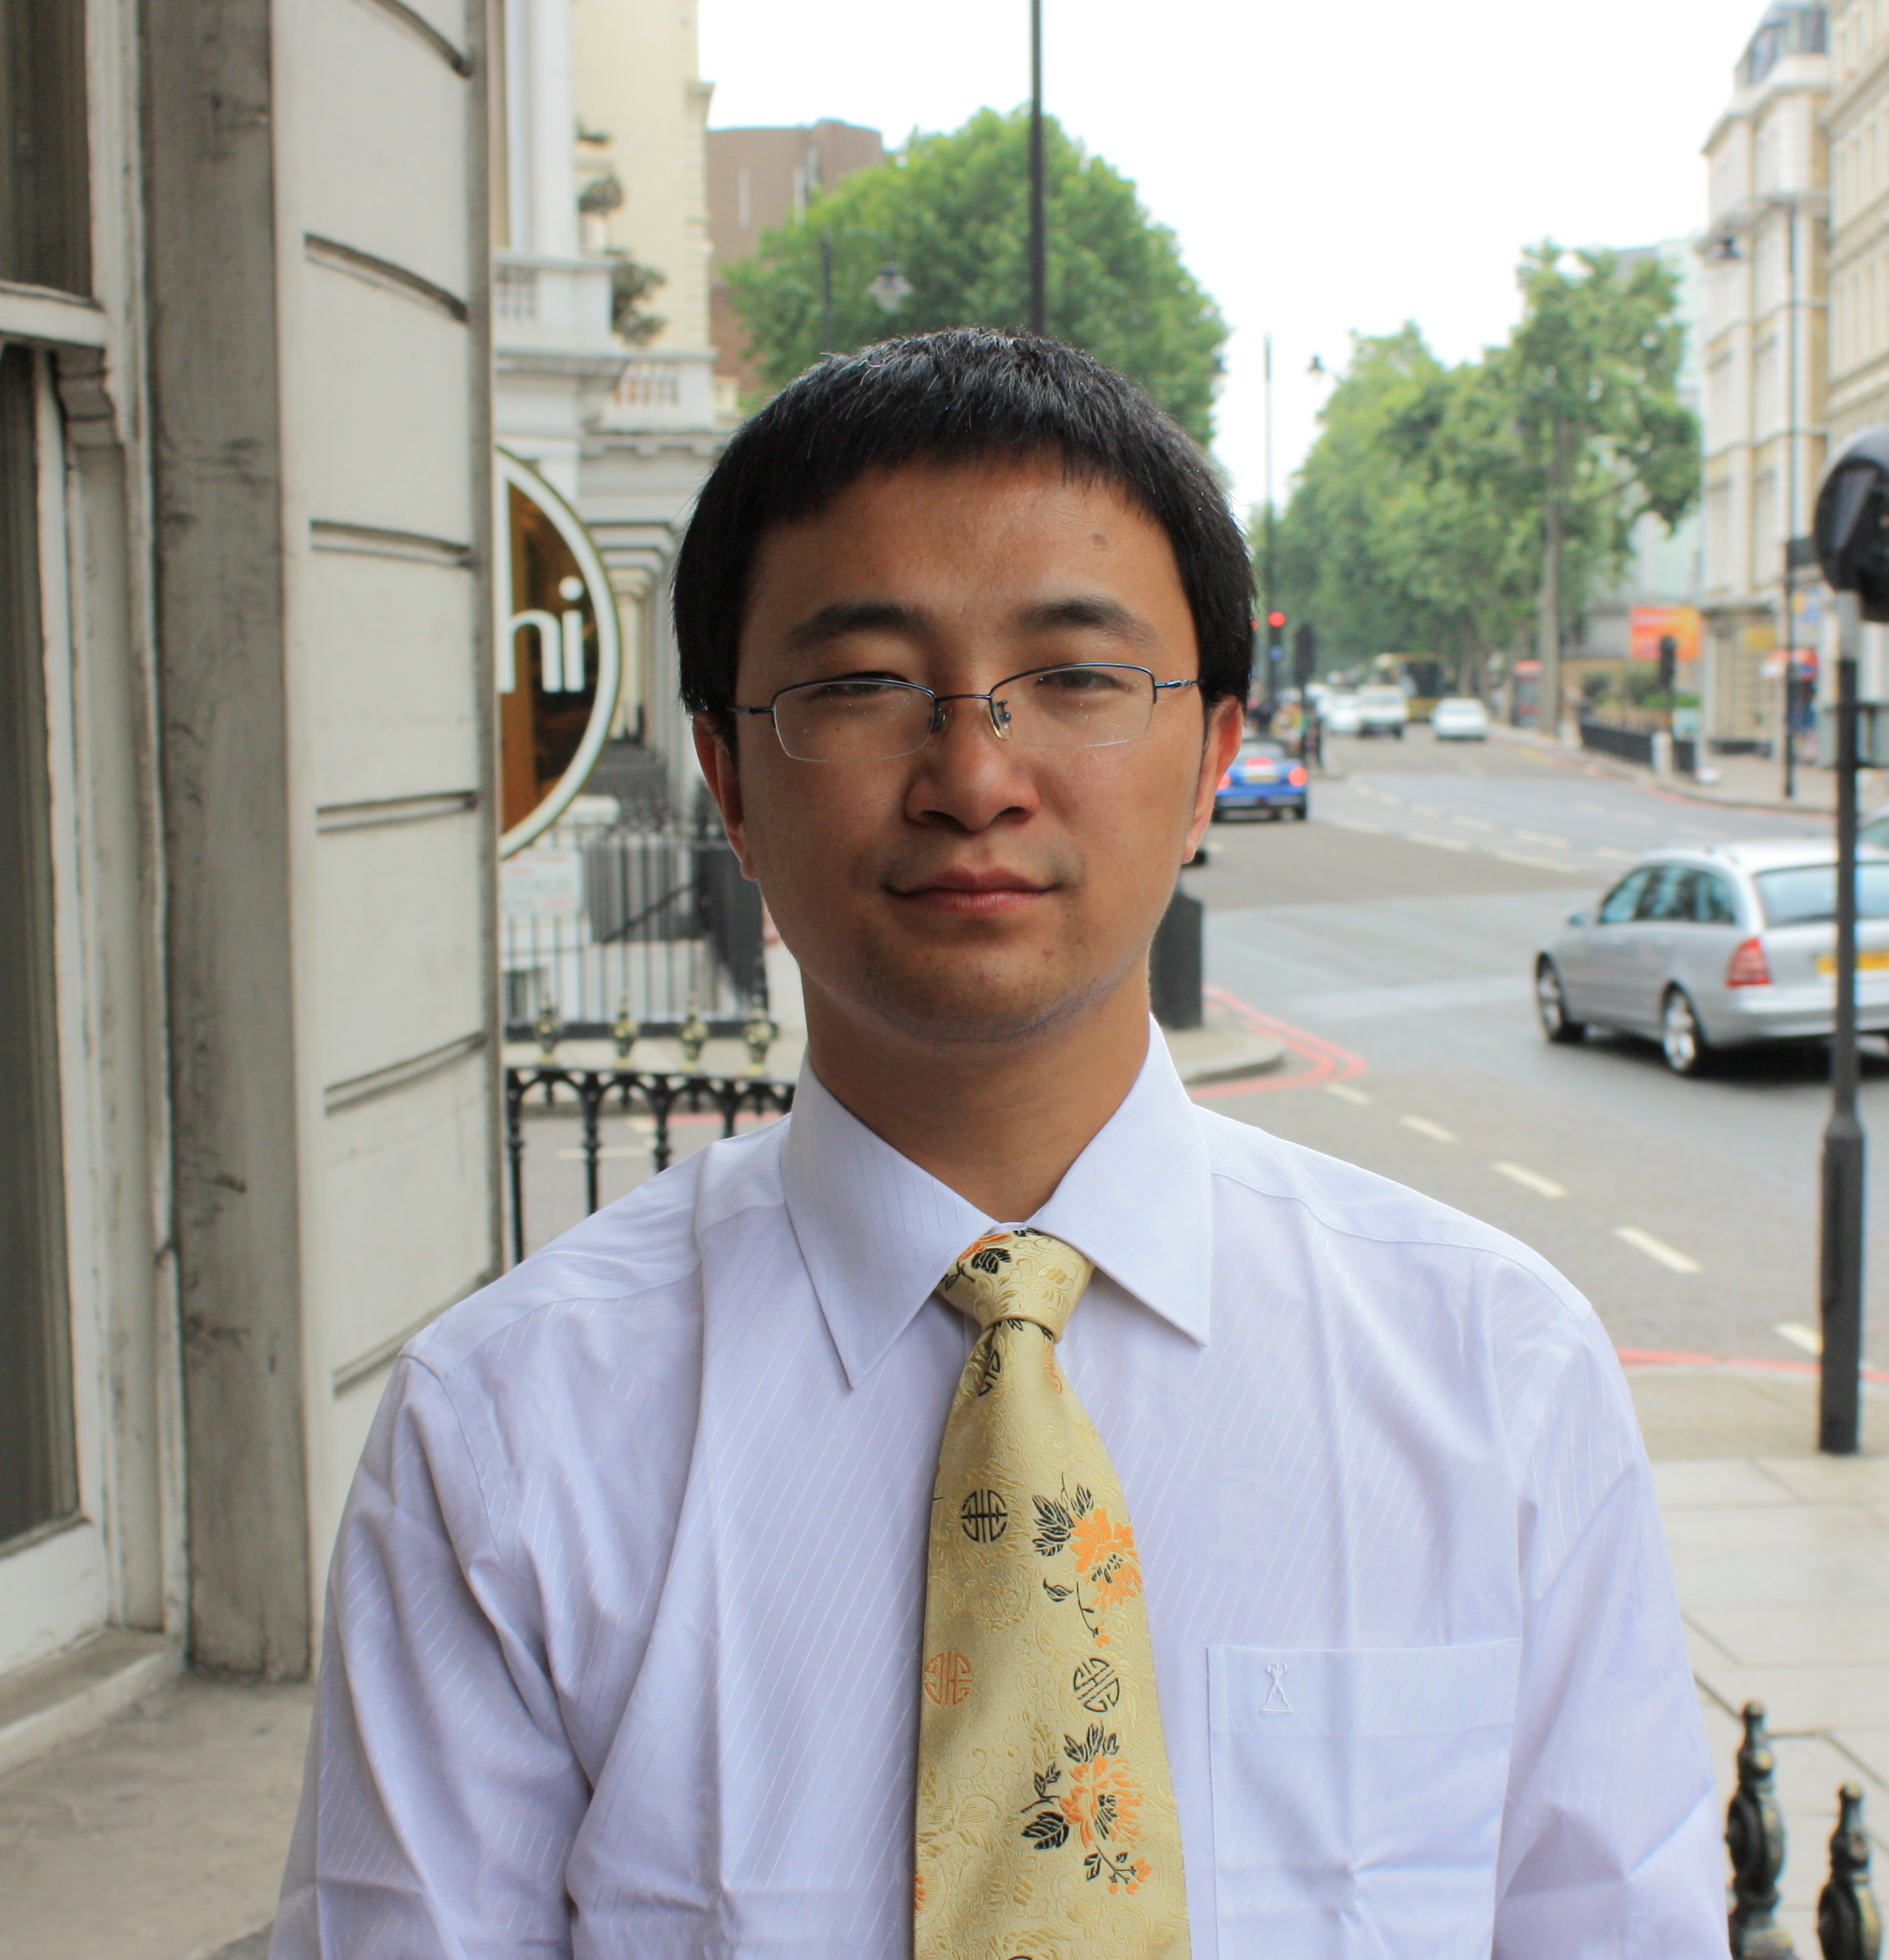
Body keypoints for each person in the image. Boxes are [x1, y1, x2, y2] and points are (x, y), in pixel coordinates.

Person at [272, 329, 1724, 1957]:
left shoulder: (1495, 1378)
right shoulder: (508, 1437)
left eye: (1078, 678)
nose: (973, 776)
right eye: (859, 685)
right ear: (729, 779)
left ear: (1212, 762)